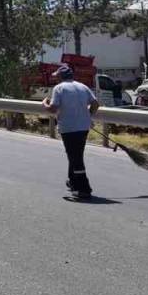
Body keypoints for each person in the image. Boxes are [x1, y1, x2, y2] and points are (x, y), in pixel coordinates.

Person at [43, 63, 101, 198]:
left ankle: (84, 189)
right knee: (75, 154)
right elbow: (95, 104)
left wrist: (44, 104)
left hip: (69, 128)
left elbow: (53, 108)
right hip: (83, 127)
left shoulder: (59, 88)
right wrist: (88, 115)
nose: (55, 79)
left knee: (75, 157)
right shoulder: (83, 86)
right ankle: (73, 181)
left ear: (61, 77)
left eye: (57, 77)